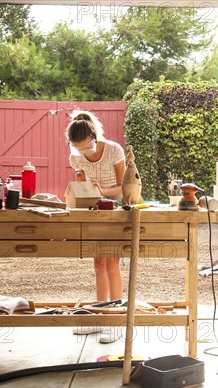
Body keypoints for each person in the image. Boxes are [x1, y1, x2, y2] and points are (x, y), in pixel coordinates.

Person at [66, 110, 126, 343]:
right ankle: (100, 314)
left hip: (115, 208)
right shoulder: (76, 156)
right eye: (77, 148)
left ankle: (116, 319)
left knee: (112, 262)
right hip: (93, 210)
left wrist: (104, 192)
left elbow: (125, 187)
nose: (82, 152)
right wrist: (83, 193)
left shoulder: (114, 150)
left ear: (93, 135)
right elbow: (82, 187)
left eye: (86, 146)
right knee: (98, 262)